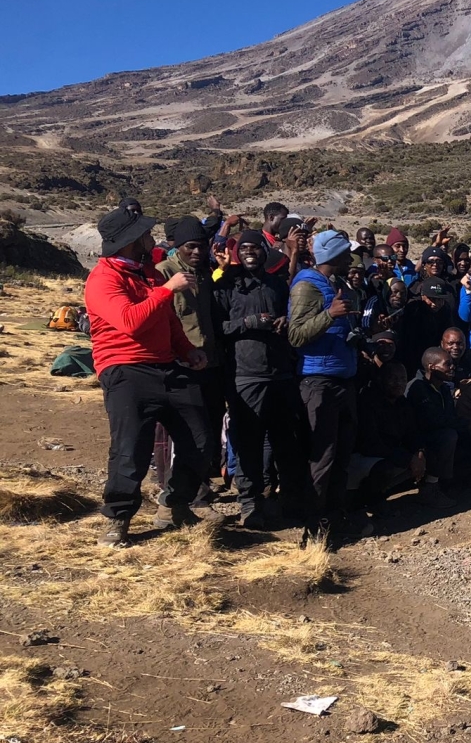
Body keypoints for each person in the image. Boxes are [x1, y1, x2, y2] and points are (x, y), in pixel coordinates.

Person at [85, 204, 212, 546]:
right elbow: (130, 321)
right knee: (130, 449)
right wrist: (167, 288)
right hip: (125, 369)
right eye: (143, 232)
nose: (149, 236)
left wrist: (187, 350)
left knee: (201, 439)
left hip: (167, 365)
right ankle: (118, 518)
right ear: (129, 240)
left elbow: (167, 321)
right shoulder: (103, 279)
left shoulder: (149, 274)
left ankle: (174, 502)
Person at [215, 228, 311, 528]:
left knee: (285, 441)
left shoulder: (275, 284)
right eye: (244, 248)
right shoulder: (227, 286)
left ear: (263, 251)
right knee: (248, 443)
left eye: (255, 248)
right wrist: (248, 323)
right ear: (236, 252)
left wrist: (284, 321)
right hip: (245, 376)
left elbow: (292, 315)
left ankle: (288, 500)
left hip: (280, 374)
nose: (250, 253)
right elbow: (218, 329)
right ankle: (250, 503)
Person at [288, 229, 362, 546]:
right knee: (322, 455)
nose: (352, 257)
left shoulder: (337, 284)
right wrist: (329, 315)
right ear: (333, 254)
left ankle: (335, 515)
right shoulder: (306, 285)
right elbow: (296, 335)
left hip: (343, 380)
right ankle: (313, 524)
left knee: (342, 453)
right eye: (348, 252)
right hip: (318, 381)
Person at [156, 215, 224, 497]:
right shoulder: (164, 272)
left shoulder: (205, 275)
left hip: (210, 362)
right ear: (178, 246)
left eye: (202, 246)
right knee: (186, 433)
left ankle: (197, 486)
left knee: (209, 426)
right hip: (180, 363)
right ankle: (180, 494)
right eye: (191, 247)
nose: (197, 252)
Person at [351, 361, 426, 520]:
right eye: (393, 378)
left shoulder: (403, 403)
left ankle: (381, 496)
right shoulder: (367, 401)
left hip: (389, 452)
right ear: (380, 379)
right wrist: (408, 458)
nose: (399, 383)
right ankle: (359, 504)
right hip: (364, 456)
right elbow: (369, 444)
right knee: (385, 469)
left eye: (403, 378)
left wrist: (419, 452)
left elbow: (412, 433)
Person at [405, 347, 462, 507]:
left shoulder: (443, 388)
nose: (452, 367)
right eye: (447, 364)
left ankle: (452, 481)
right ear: (431, 367)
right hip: (418, 440)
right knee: (448, 436)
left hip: (436, 435)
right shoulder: (417, 388)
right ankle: (430, 487)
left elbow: (450, 417)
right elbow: (431, 421)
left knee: (463, 433)